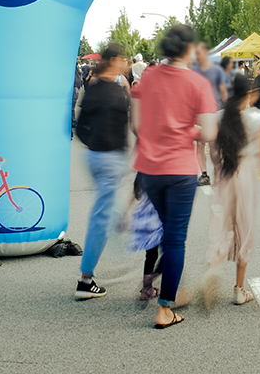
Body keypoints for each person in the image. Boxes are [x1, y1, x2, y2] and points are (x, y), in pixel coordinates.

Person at [131, 24, 219, 329]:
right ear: (189, 49)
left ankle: (169, 284)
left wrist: (161, 127)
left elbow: (137, 126)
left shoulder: (148, 77)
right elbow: (208, 132)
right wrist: (185, 128)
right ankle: (165, 307)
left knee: (169, 231)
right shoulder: (197, 83)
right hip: (180, 169)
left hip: (149, 169)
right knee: (176, 238)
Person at [203, 73, 260, 309]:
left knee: (222, 224)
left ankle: (212, 269)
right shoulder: (255, 119)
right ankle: (239, 290)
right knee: (244, 228)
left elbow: (212, 152)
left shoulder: (219, 117)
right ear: (250, 94)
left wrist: (219, 172)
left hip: (225, 176)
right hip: (245, 176)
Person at [74, 43, 132, 300]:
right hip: (111, 159)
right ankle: (86, 279)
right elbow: (123, 130)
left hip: (94, 157)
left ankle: (119, 224)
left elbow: (80, 126)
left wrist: (93, 145)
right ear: (115, 60)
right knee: (101, 216)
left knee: (107, 208)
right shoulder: (117, 92)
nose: (125, 64)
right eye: (123, 60)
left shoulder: (93, 88)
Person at [191, 43, 231, 186]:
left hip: (215, 111)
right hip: (199, 112)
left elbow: (224, 93)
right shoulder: (192, 72)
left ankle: (218, 171)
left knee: (214, 145)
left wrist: (228, 112)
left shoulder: (217, 71)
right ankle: (204, 174)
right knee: (201, 144)